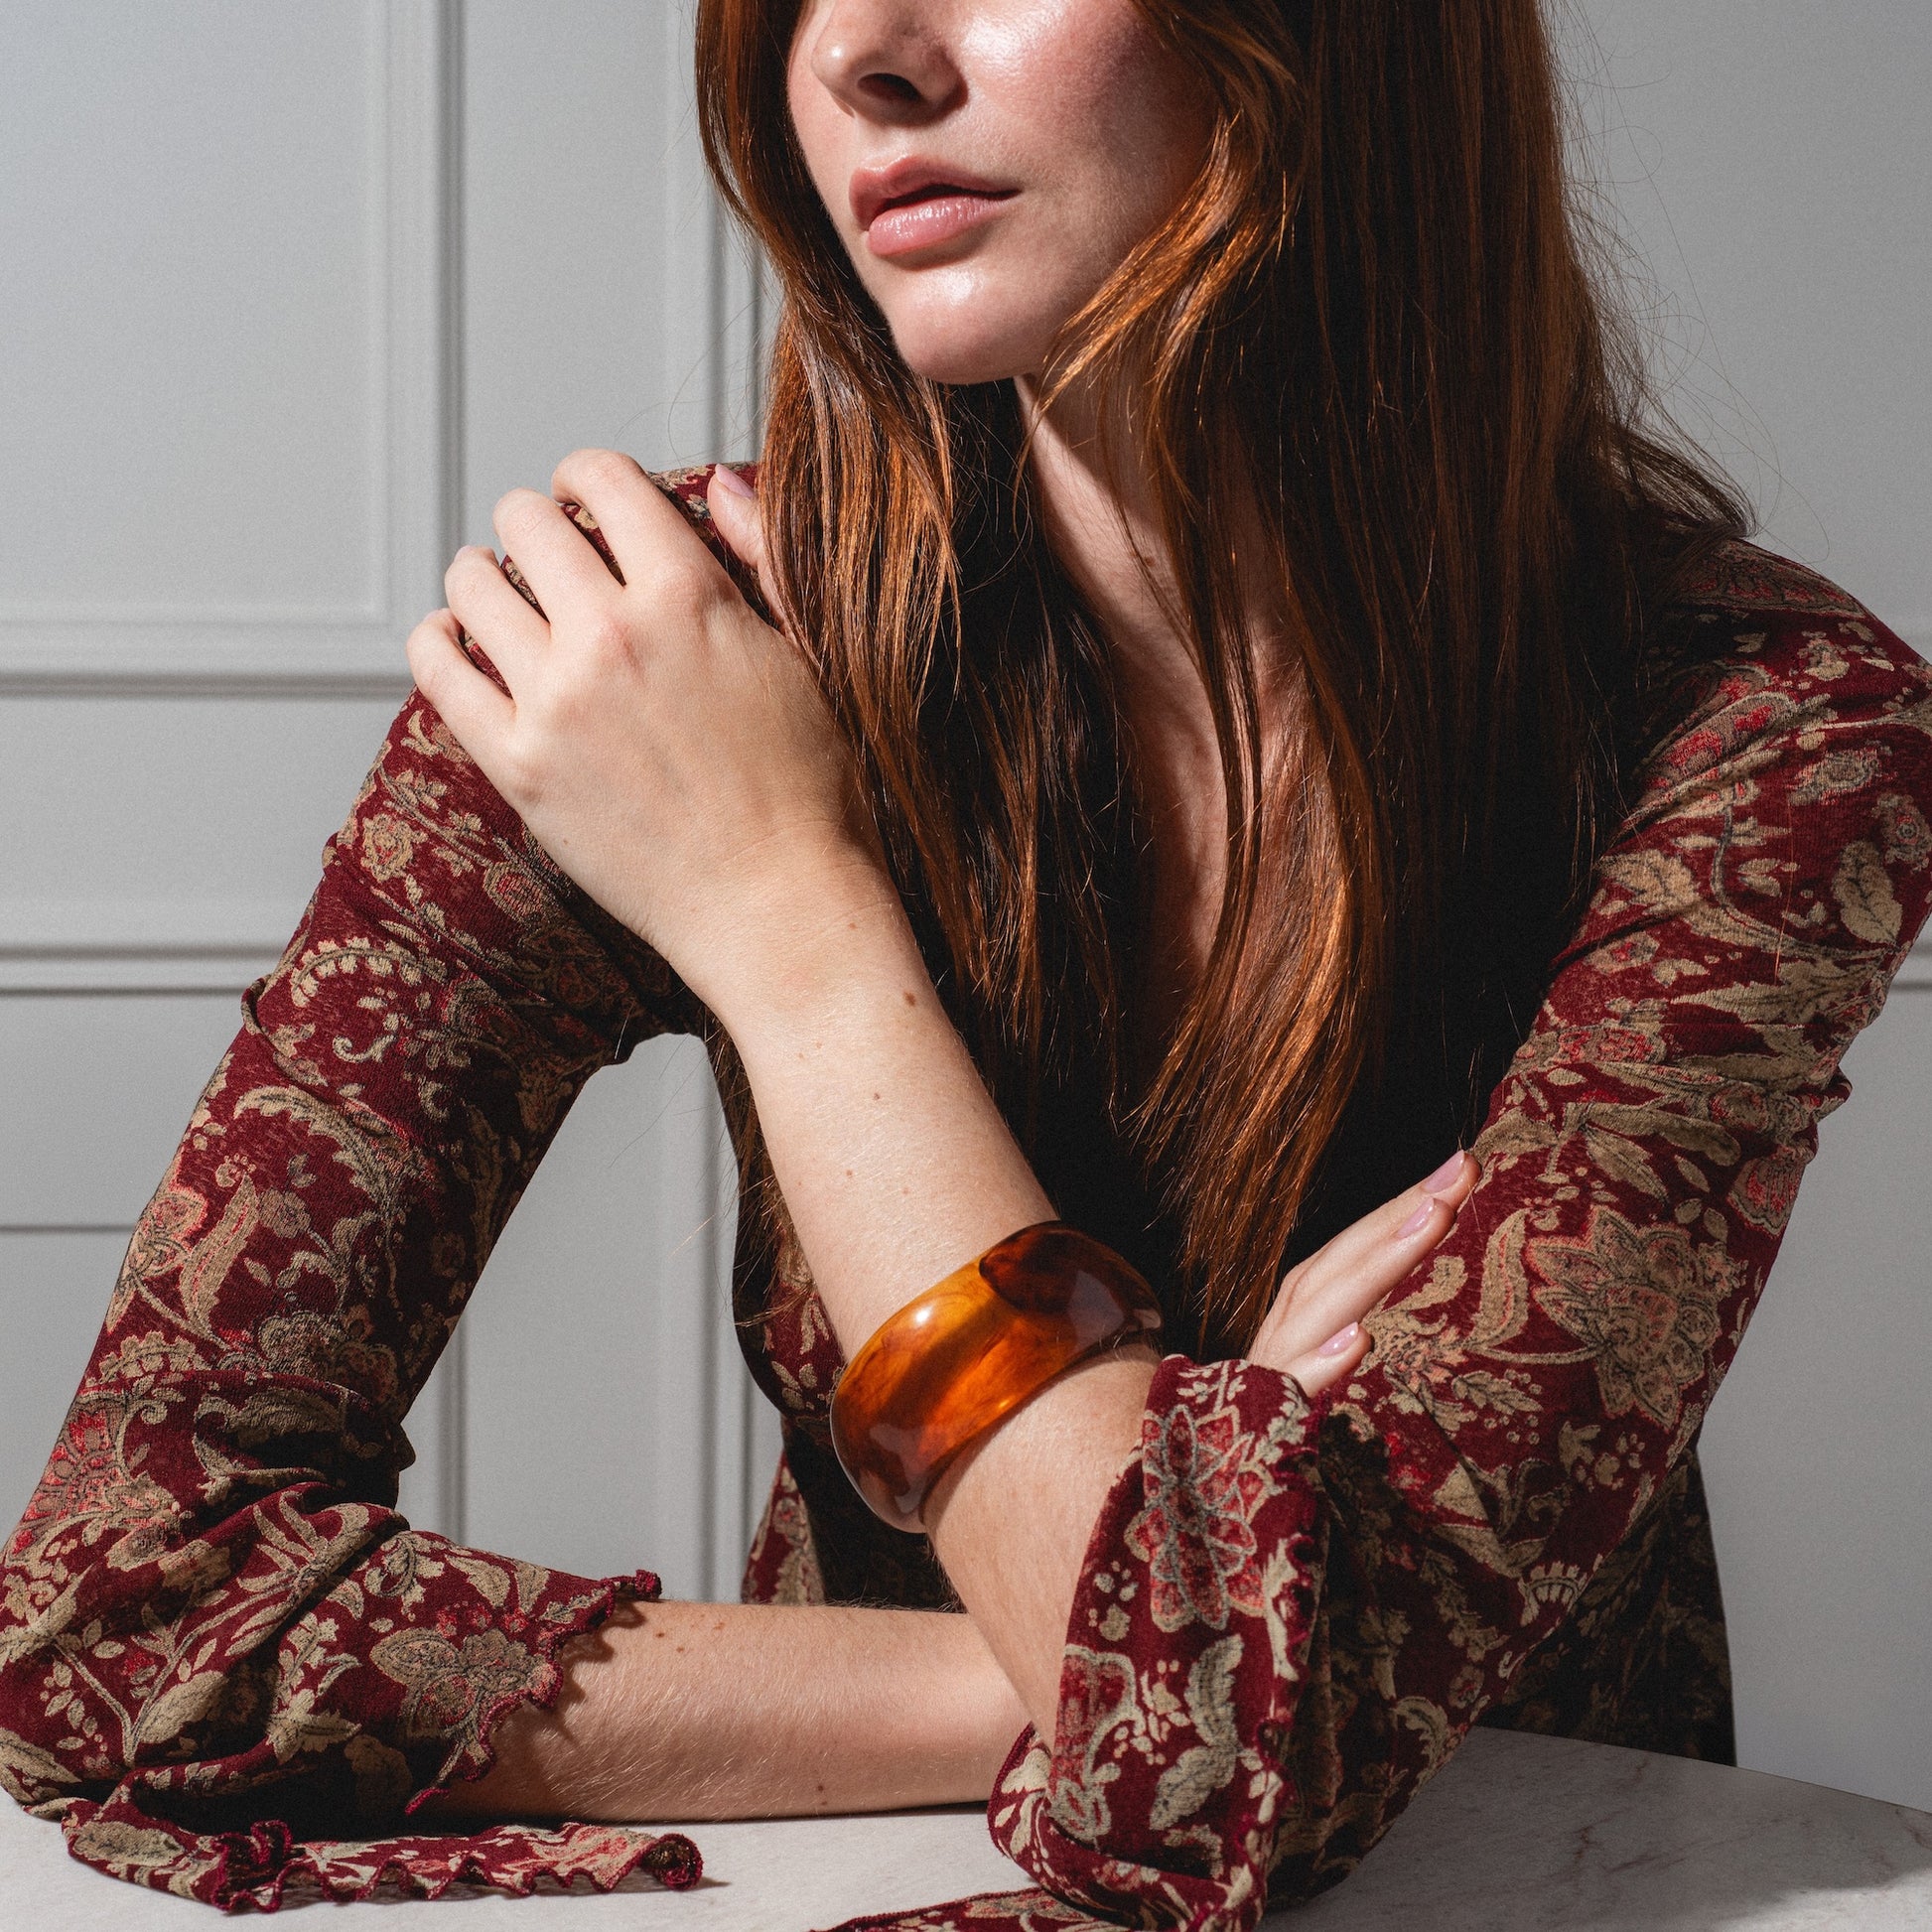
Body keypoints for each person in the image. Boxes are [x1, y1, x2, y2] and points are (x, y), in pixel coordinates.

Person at [3, 1, 1928, 1924]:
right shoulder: (664, 662)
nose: (859, 53)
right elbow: (116, 1605)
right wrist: (1123, 1630)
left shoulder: (1762, 750)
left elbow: (1211, 1752)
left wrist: (789, 925)